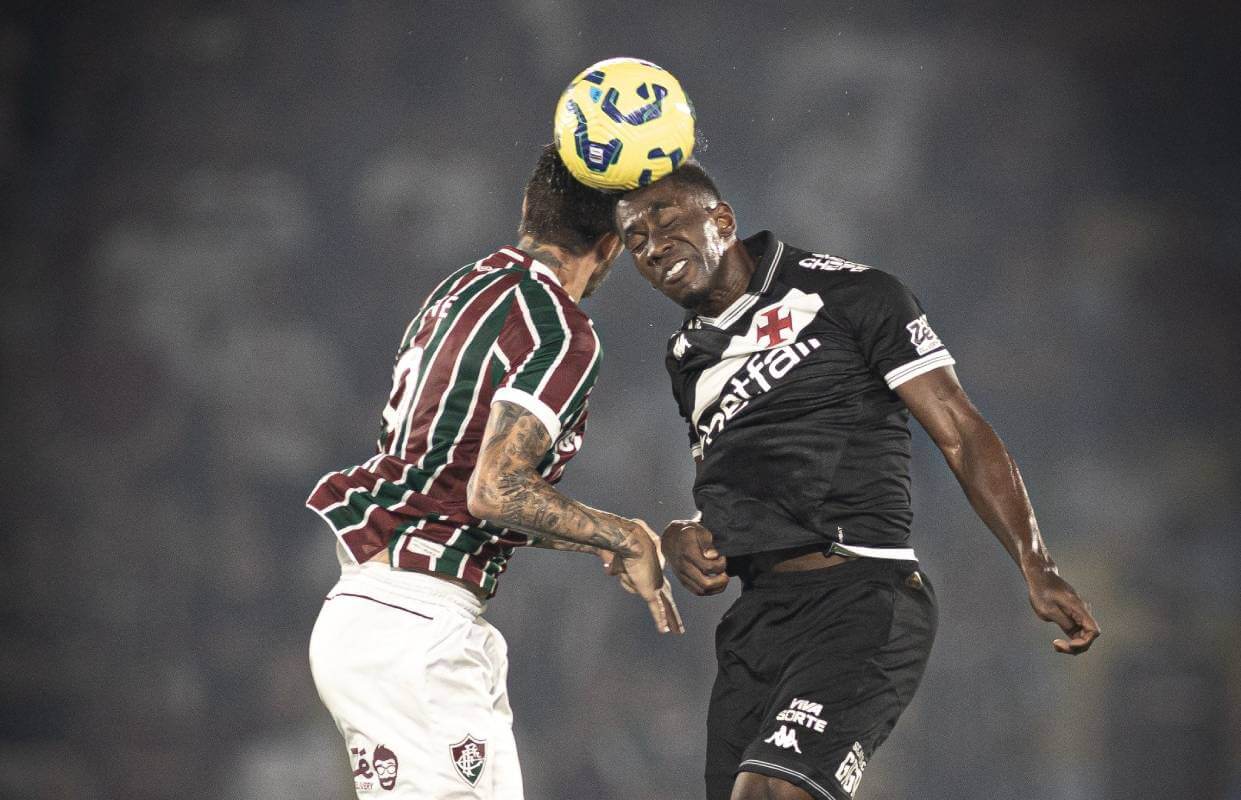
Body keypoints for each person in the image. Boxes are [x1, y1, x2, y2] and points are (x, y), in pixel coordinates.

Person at [614, 163, 1100, 800]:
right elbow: (739, 485)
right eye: (636, 242)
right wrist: (687, 534)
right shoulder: (686, 356)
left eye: (669, 222)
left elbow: (959, 430)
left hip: (862, 597)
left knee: (773, 795)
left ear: (723, 221)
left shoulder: (854, 295)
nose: (655, 248)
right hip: (758, 622)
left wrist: (1035, 562)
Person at [306, 144, 682, 800]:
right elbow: (493, 489)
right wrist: (623, 535)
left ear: (526, 212)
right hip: (415, 625)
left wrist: (593, 536)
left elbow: (455, 484)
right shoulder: (561, 332)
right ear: (613, 245)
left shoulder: (459, 289)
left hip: (378, 610)